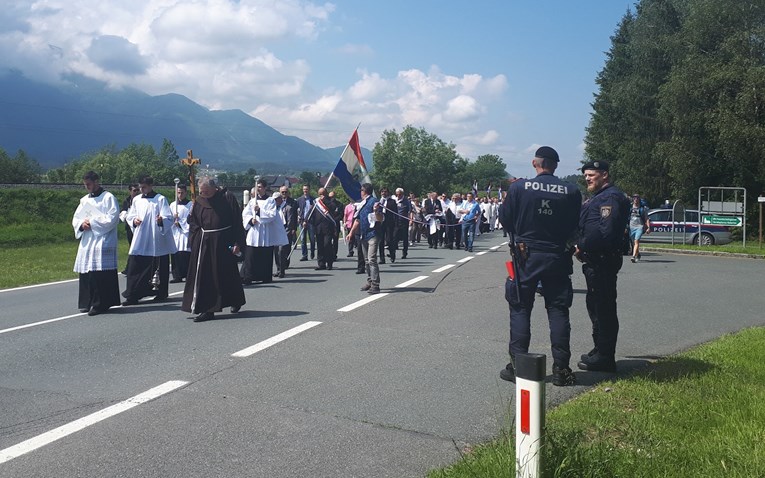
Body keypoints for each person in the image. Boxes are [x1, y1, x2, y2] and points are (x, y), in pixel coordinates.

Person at [499, 146, 582, 386]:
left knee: (520, 307)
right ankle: (561, 368)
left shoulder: (518, 188)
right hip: (557, 255)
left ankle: (518, 366)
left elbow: (505, 220)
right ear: (555, 165)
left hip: (526, 256)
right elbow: (576, 224)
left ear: (536, 163)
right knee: (558, 310)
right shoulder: (571, 190)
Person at [575, 160, 630, 373]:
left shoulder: (611, 198)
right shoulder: (599, 197)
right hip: (595, 260)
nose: (587, 178)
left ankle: (605, 357)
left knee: (603, 308)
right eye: (585, 175)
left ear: (604, 175)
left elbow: (606, 233)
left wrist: (582, 245)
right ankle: (599, 349)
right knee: (596, 306)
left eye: (591, 175)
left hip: (602, 260)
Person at [181, 176, 246, 322]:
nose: (204, 195)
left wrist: (237, 242)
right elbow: (194, 223)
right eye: (202, 192)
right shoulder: (198, 201)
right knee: (206, 277)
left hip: (224, 242)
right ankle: (207, 309)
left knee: (227, 274)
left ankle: (235, 300)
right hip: (204, 243)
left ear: (214, 189)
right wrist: (195, 240)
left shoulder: (227, 198)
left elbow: (237, 221)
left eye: (206, 192)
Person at [72, 171, 121, 316]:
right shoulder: (84, 200)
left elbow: (112, 218)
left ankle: (100, 303)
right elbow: (76, 218)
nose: (87, 187)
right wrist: (81, 224)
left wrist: (92, 222)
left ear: (97, 182)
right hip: (88, 240)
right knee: (87, 272)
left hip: (102, 240)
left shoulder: (108, 198)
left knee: (99, 273)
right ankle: (87, 302)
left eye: (89, 184)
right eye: (85, 185)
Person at [122, 176, 177, 305]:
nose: (142, 190)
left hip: (156, 239)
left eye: (144, 187)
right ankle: (133, 294)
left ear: (151, 185)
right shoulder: (136, 200)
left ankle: (160, 293)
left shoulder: (160, 199)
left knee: (158, 267)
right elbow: (130, 216)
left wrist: (161, 220)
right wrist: (134, 220)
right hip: (140, 238)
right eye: (140, 187)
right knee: (135, 266)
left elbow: (168, 218)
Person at [346, 183, 383, 294]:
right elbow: (357, 220)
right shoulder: (361, 204)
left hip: (373, 234)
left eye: (361, 190)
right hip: (363, 234)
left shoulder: (374, 202)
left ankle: (376, 285)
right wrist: (351, 233)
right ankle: (370, 280)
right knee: (366, 260)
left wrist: (376, 211)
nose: (360, 192)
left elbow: (380, 218)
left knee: (372, 259)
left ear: (365, 191)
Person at [241, 178, 279, 284]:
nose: (258, 189)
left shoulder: (270, 200)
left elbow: (272, 215)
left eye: (260, 187)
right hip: (254, 230)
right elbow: (245, 214)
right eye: (257, 187)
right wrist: (250, 221)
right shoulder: (252, 201)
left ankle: (265, 276)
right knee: (250, 255)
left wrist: (259, 211)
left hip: (265, 231)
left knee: (265, 256)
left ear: (265, 188)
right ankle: (248, 276)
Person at [311, 187, 340, 270]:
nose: (322, 195)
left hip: (328, 228)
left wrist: (325, 200)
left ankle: (329, 263)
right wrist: (306, 220)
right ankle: (321, 264)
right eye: (320, 194)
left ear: (326, 194)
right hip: (318, 228)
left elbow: (334, 207)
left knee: (327, 245)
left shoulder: (330, 201)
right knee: (320, 246)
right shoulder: (316, 202)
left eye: (323, 194)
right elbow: (311, 212)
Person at [169, 184, 193, 283]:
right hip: (175, 233)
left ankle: (188, 274)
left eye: (182, 193)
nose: (180, 195)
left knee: (185, 254)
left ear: (186, 193)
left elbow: (191, 219)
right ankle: (177, 275)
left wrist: (181, 223)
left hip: (185, 233)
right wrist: (173, 218)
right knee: (175, 254)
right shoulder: (172, 205)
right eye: (178, 193)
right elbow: (168, 218)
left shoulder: (190, 205)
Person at [275, 186, 298, 278]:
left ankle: (282, 270)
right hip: (275, 232)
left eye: (285, 192)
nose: (284, 194)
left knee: (282, 251)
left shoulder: (289, 207)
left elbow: (290, 220)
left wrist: (290, 231)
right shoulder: (275, 207)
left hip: (285, 231)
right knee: (276, 251)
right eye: (282, 192)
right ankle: (278, 269)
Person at [118, 184, 140, 274]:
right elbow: (123, 210)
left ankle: (131, 268)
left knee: (137, 247)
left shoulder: (141, 200)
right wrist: (124, 214)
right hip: (129, 227)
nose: (136, 192)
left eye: (138, 190)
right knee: (132, 247)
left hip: (138, 226)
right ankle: (130, 268)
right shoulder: (127, 201)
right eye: (134, 191)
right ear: (130, 191)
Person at [628, 194, 651, 263]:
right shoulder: (630, 207)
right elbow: (627, 217)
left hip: (639, 227)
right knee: (634, 243)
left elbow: (646, 219)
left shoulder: (642, 208)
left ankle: (633, 256)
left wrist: (648, 227)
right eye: (634, 198)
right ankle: (638, 254)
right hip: (631, 227)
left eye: (637, 198)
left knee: (636, 241)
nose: (636, 199)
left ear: (639, 199)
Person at [296, 185, 316, 261]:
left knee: (312, 238)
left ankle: (312, 251)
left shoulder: (313, 200)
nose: (305, 191)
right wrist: (298, 216)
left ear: (309, 190)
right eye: (304, 189)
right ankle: (304, 255)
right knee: (303, 239)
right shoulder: (299, 200)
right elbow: (296, 210)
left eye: (307, 189)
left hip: (311, 222)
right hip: (302, 221)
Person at [392, 187, 412, 260]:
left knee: (405, 238)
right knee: (394, 238)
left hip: (404, 222)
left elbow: (410, 211)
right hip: (396, 222)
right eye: (397, 194)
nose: (398, 196)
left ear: (402, 194)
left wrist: (410, 219)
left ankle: (404, 253)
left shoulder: (406, 201)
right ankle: (392, 253)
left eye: (400, 194)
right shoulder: (394, 201)